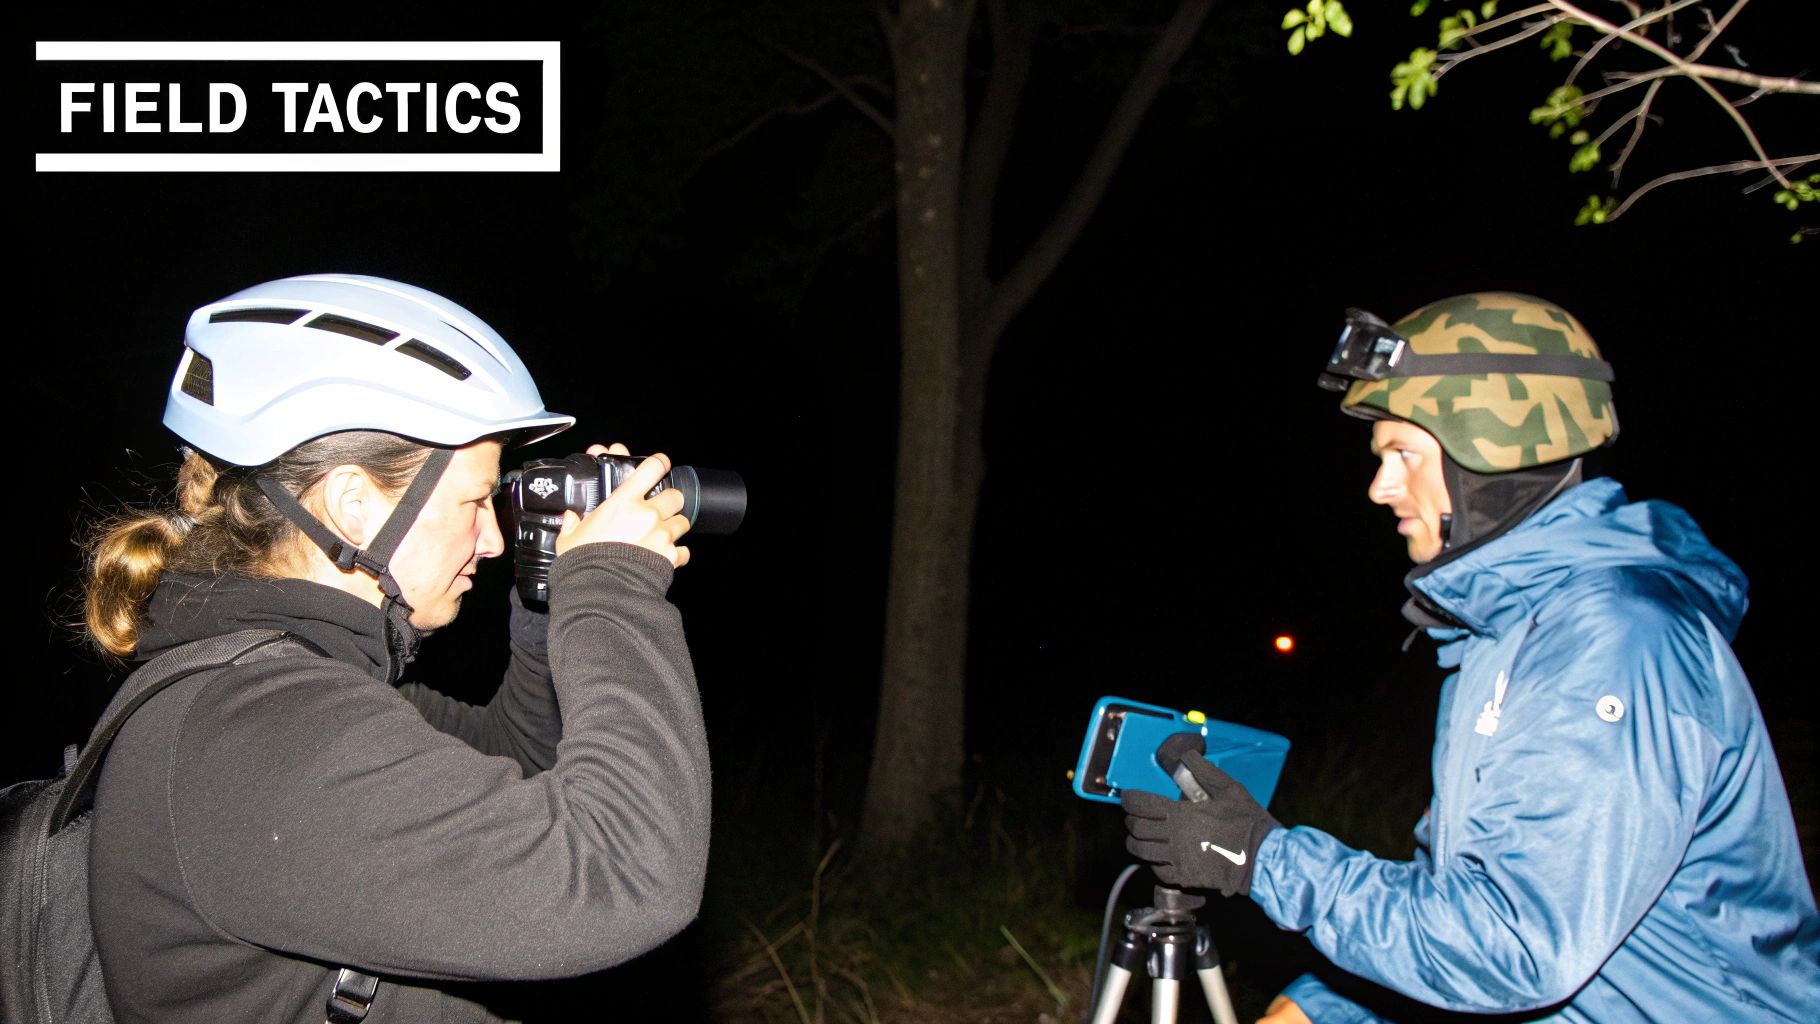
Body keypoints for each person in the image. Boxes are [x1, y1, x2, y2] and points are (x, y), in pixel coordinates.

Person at [1122, 292, 1820, 1022]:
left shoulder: (1614, 640)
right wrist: (1325, 1007)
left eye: (1403, 454)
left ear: (1491, 455)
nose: (1379, 487)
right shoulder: (1501, 637)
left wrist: (1262, 859)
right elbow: (1458, 898)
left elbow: (1517, 947)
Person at [82, 274, 710, 1022]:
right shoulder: (260, 739)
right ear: (353, 506)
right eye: (475, 501)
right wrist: (611, 586)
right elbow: (629, 875)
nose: (493, 538)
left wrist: (550, 592)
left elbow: (515, 754)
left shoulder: (286, 691)